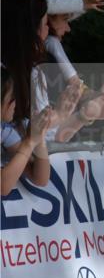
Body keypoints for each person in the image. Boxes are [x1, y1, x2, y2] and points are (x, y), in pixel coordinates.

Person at [1, 67, 55, 196]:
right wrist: (29, 142)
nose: (15, 103)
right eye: (12, 97)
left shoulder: (4, 130)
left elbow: (40, 178)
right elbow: (3, 186)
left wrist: (38, 137)